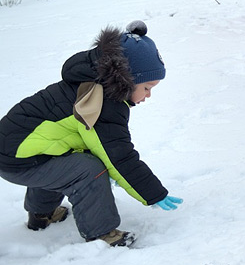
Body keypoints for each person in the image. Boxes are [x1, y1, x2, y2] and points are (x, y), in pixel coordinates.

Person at [0, 21, 182, 247]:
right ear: (128, 79)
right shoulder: (101, 103)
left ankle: (42, 214)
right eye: (147, 87)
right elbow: (118, 157)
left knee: (58, 157)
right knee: (89, 169)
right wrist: (152, 193)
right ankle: (102, 234)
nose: (148, 95)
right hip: (17, 159)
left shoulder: (92, 80)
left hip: (16, 150)